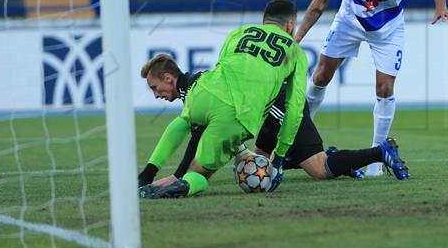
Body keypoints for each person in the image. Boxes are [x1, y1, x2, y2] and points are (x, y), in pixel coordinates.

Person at [294, 0, 448, 177]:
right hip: (350, 20)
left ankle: (375, 160)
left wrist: (441, 6)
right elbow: (320, 1)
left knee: (384, 87)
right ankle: (299, 136)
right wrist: (298, 37)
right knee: (321, 76)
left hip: (389, 26)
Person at [137, 0, 308, 198]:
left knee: (184, 120)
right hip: (237, 113)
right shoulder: (296, 52)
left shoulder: (239, 32)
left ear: (265, 21)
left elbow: (222, 66)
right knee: (198, 173)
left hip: (205, 90)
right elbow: (295, 108)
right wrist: (278, 159)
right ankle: (183, 184)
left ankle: (146, 175)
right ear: (290, 25)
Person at [138, 81, 410, 189]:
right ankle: (343, 159)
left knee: (316, 169)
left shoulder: (201, 93)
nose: (156, 94)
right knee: (260, 161)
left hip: (283, 107)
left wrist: (179, 178)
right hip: (274, 106)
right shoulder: (203, 87)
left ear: (169, 79)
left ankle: (379, 152)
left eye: (154, 87)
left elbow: (196, 134)